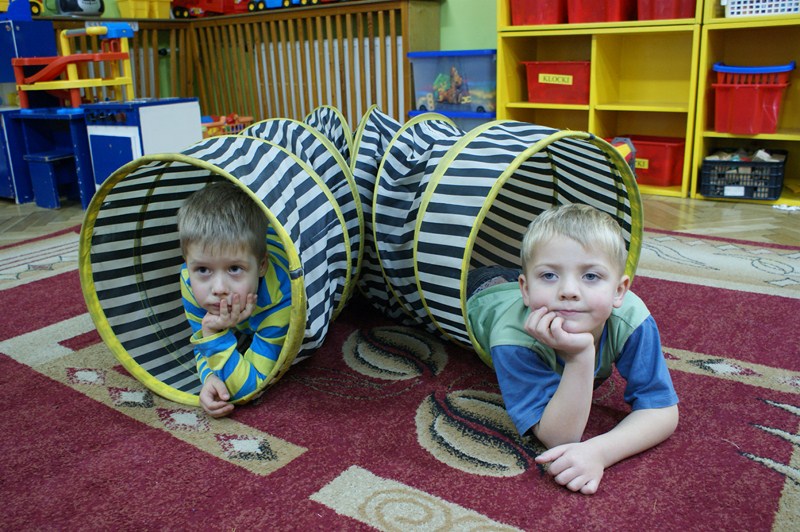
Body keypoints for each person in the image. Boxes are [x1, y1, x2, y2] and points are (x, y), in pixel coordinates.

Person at [467, 203, 679, 495]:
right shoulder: (513, 338)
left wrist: (601, 451)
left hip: (526, 282)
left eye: (591, 276)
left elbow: (662, 408)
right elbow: (558, 436)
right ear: (525, 290)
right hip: (483, 289)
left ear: (619, 291)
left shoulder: (632, 319)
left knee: (547, 263)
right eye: (550, 276)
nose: (569, 291)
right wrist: (581, 357)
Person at [176, 181, 292, 418]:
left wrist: (214, 335)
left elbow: (250, 387)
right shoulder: (190, 281)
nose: (218, 289)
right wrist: (210, 377)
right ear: (188, 265)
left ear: (262, 266)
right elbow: (202, 344)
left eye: (234, 269)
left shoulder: (279, 299)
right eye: (203, 269)